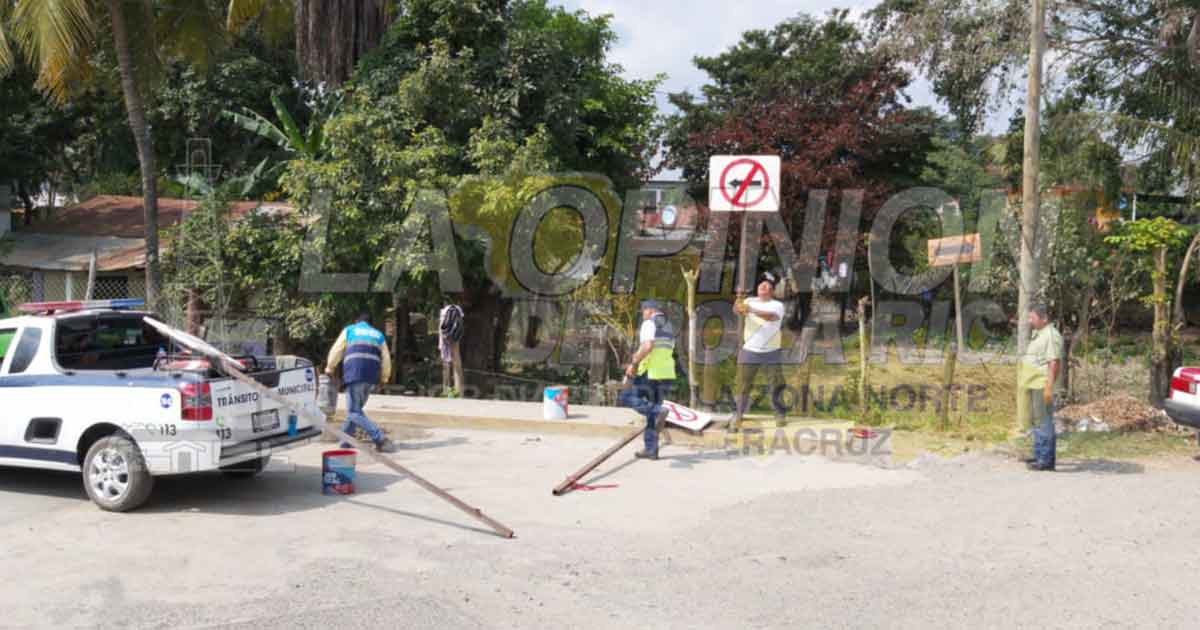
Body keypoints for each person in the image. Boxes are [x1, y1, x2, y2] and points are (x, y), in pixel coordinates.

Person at [325, 313, 397, 453]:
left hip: (354, 374)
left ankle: (380, 438)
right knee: (355, 411)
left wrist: (330, 367)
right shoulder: (378, 335)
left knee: (354, 412)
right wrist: (384, 378)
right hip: (371, 378)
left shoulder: (350, 330)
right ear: (370, 323)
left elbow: (337, 349)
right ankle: (345, 442)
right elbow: (386, 359)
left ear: (357, 321)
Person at [728, 271, 788, 431]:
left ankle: (780, 414)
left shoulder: (777, 305)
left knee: (776, 384)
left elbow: (771, 317)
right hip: (749, 350)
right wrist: (738, 301)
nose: (763, 286)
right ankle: (737, 415)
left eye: (767, 285)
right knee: (742, 385)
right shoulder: (749, 300)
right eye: (761, 284)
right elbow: (737, 310)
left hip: (772, 351)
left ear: (772, 291)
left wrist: (751, 310)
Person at [618, 300, 677, 460]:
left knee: (626, 396)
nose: (642, 315)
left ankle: (659, 412)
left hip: (649, 371)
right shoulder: (668, 325)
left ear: (650, 310)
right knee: (652, 412)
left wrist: (634, 363)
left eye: (643, 312)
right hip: (664, 373)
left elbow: (648, 346)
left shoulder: (649, 323)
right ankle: (651, 449)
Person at [1020, 303, 1063, 471]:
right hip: (1034, 383)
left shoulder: (1051, 336)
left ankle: (1045, 460)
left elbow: (1054, 362)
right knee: (1038, 421)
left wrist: (1048, 387)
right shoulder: (1039, 334)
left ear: (1044, 318)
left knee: (1044, 422)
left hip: (1042, 384)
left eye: (1032, 317)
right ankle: (1039, 454)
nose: (1030, 321)